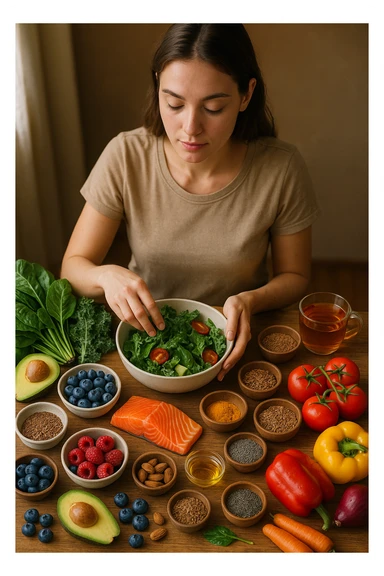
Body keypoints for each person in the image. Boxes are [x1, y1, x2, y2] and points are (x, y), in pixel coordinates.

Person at [61, 24, 320, 381]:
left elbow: (295, 276)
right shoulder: (125, 155)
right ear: (158, 87)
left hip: (235, 347)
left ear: (246, 95)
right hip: (145, 345)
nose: (190, 128)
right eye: (175, 104)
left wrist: (251, 300)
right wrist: (105, 276)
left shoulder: (281, 167)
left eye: (213, 107)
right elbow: (73, 267)